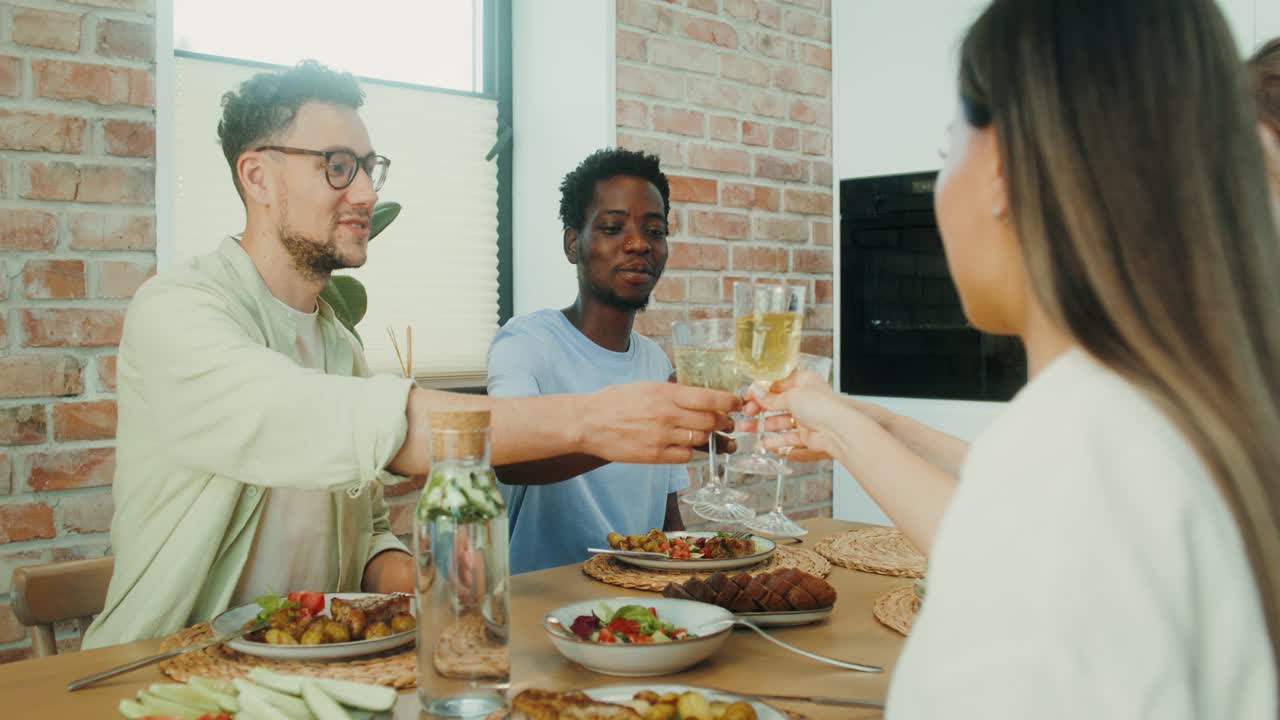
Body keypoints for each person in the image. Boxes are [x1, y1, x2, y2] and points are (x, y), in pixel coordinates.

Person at [83, 62, 739, 648]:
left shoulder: (338, 342)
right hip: (162, 671)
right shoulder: (176, 311)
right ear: (258, 175)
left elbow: (364, 534)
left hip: (310, 665)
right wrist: (594, 422)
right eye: (338, 165)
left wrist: (428, 579)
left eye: (370, 167)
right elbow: (318, 419)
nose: (366, 192)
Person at [753, 0, 1279, 715]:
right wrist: (861, 424)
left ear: (1002, 168)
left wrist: (847, 424)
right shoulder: (1174, 420)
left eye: (947, 151)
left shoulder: (1075, 459)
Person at [487, 148, 714, 574]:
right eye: (613, 227)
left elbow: (667, 522)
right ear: (574, 244)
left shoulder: (653, 361)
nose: (639, 244)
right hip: (541, 606)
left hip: (637, 604)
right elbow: (509, 459)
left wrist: (695, 586)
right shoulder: (526, 343)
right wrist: (636, 429)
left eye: (655, 230)